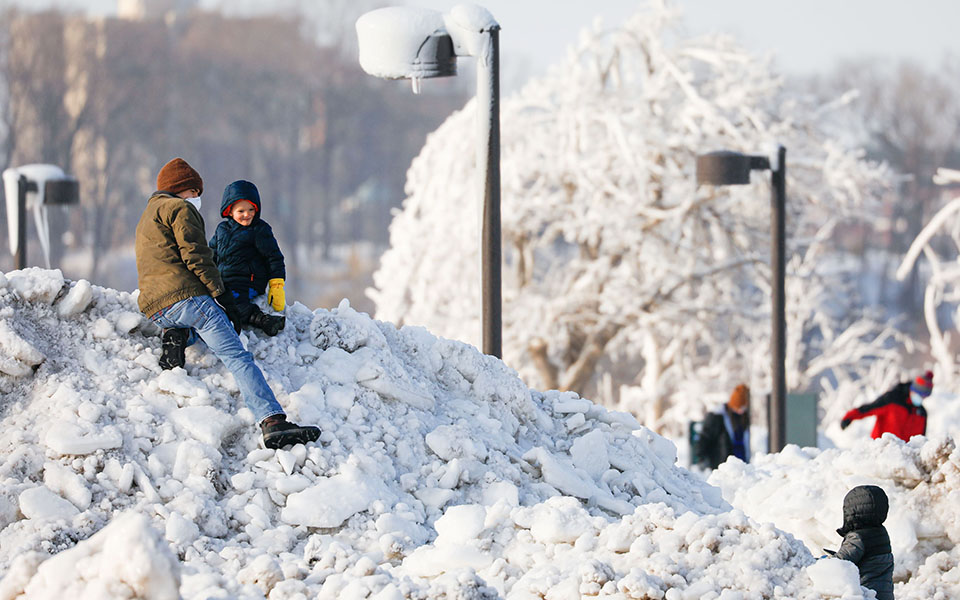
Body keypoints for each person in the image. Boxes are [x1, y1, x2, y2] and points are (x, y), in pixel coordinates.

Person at [134, 157, 320, 449]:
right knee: (237, 356)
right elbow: (198, 257)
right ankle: (273, 421)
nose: (198, 199)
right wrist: (221, 297)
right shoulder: (180, 209)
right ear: (185, 189)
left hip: (156, 307)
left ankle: (178, 334)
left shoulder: (148, 214)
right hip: (188, 297)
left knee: (194, 323)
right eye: (196, 193)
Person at [208, 180, 286, 337]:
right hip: (224, 281)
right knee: (211, 302)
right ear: (229, 211)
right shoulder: (221, 229)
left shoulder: (259, 230)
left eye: (251, 209)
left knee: (231, 303)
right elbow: (211, 254)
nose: (247, 215)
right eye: (241, 211)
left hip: (248, 281)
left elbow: (274, 257)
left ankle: (264, 320)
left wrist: (276, 284)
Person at [825, 485, 894, 600]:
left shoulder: (857, 537)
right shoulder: (881, 533)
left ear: (853, 512)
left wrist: (820, 562)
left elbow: (840, 563)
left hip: (866, 595)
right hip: (883, 595)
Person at [840, 371, 930, 441]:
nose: (920, 398)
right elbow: (868, 409)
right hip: (879, 451)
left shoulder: (922, 414)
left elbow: (920, 441)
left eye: (924, 396)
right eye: (919, 393)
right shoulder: (893, 399)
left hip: (903, 459)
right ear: (913, 389)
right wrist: (849, 417)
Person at [695, 383, 750, 470]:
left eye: (743, 408)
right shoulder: (717, 416)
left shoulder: (743, 417)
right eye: (739, 407)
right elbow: (705, 438)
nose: (741, 410)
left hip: (741, 464)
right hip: (720, 465)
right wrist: (701, 458)